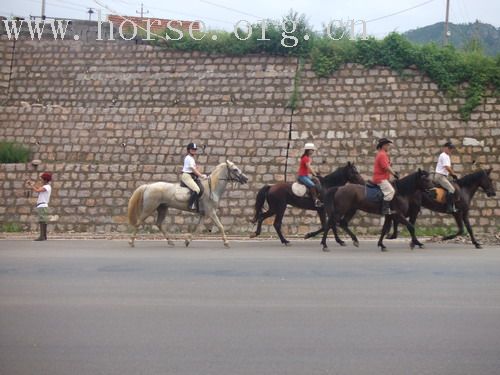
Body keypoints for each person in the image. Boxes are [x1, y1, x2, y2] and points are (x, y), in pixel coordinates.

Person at [372, 138, 399, 215]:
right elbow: (386, 167)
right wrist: (394, 174)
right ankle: (385, 210)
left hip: (382, 178)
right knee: (391, 191)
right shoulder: (382, 154)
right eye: (387, 145)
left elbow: (387, 166)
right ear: (383, 146)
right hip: (380, 179)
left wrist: (390, 166)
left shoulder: (382, 154)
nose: (388, 147)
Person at [181, 143, 207, 213]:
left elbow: (193, 168)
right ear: (189, 150)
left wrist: (196, 168)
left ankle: (197, 204)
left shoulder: (191, 158)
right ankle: (190, 204)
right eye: (192, 149)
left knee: (201, 188)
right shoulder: (189, 158)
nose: (194, 151)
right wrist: (201, 176)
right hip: (187, 176)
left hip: (191, 176)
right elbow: (193, 170)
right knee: (197, 189)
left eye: (195, 150)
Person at [435, 141, 458, 213]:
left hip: (443, 176)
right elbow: (447, 167)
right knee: (451, 189)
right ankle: (449, 208)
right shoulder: (444, 155)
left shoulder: (446, 156)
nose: (451, 150)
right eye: (450, 148)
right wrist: (454, 174)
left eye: (452, 148)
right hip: (440, 176)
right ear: (445, 148)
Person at [28, 172, 52, 241]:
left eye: (42, 179)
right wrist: (33, 184)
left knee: (42, 221)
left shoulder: (47, 187)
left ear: (45, 180)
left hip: (42, 205)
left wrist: (31, 185)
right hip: (42, 205)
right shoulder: (46, 187)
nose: (41, 180)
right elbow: (39, 188)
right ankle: (44, 236)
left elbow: (37, 190)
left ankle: (42, 236)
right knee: (43, 221)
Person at [297, 142, 323, 207]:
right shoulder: (306, 158)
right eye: (312, 150)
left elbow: (308, 169)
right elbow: (309, 167)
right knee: (312, 185)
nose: (313, 151)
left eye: (313, 150)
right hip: (302, 176)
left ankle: (319, 195)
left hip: (306, 176)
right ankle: (316, 201)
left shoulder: (307, 158)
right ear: (308, 150)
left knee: (316, 180)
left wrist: (315, 173)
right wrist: (314, 174)